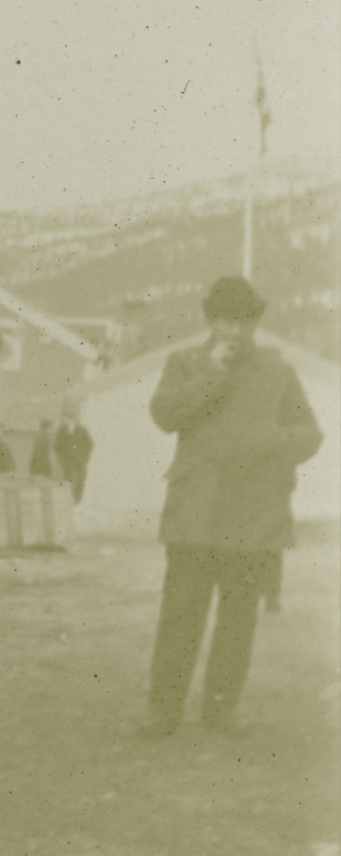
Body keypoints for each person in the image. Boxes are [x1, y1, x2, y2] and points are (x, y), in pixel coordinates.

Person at [139, 275, 322, 738]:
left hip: (251, 516)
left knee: (237, 620)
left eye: (244, 323)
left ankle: (220, 712)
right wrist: (212, 374)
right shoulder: (184, 363)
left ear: (255, 324)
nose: (235, 332)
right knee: (180, 616)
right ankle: (164, 712)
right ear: (211, 321)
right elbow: (164, 415)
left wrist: (273, 441)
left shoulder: (278, 372)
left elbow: (309, 434)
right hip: (195, 516)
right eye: (226, 322)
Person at [54, 406, 94, 505]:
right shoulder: (61, 431)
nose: (63, 420)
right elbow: (57, 446)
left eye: (65, 418)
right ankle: (68, 501)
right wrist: (62, 458)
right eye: (63, 419)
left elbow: (89, 444)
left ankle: (77, 501)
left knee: (80, 480)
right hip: (68, 461)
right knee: (68, 480)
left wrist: (84, 456)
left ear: (70, 418)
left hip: (80, 460)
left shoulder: (82, 430)